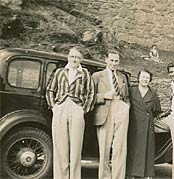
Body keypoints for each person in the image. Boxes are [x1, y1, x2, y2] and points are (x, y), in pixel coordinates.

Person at [46, 46, 94, 179]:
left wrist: (83, 109)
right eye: (73, 56)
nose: (75, 59)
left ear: (81, 59)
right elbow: (50, 90)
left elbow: (91, 93)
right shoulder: (60, 72)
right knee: (60, 148)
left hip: (77, 108)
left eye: (78, 57)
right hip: (60, 108)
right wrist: (54, 107)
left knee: (76, 148)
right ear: (68, 57)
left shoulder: (85, 73)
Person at [92, 48, 130, 179]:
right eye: (111, 60)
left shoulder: (122, 77)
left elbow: (127, 96)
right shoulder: (97, 76)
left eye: (116, 61)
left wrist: (126, 107)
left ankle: (118, 176)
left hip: (121, 108)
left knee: (120, 147)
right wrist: (104, 95)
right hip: (105, 110)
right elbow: (90, 97)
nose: (114, 63)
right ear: (106, 60)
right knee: (104, 147)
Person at [126, 69, 161, 179]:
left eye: (147, 77)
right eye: (143, 77)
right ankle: (131, 173)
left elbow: (156, 110)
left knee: (146, 149)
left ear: (150, 79)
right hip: (133, 124)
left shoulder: (153, 93)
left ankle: (146, 174)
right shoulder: (131, 90)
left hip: (147, 125)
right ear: (138, 78)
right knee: (132, 147)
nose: (145, 79)